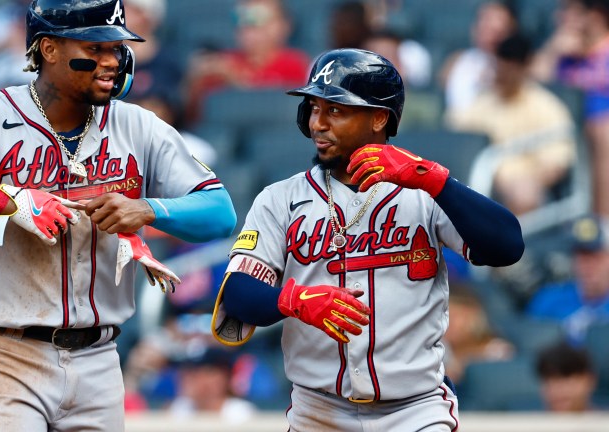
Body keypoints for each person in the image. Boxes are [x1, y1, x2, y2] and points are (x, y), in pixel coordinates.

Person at [0, 0, 237, 430]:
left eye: (117, 48)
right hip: (1, 355)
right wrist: (8, 199)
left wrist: (148, 208)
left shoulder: (139, 126)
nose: (111, 60)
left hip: (98, 360)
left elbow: (219, 212)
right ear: (48, 49)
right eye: (95, 47)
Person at [210, 48, 524, 431]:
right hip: (317, 410)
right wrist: (293, 300)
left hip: (415, 410)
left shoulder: (426, 191)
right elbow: (238, 295)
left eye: (335, 110)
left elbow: (507, 246)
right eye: (313, 109)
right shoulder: (281, 199)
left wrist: (436, 180)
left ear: (379, 118)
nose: (317, 124)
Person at [446, 32, 577, 216]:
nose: (504, 74)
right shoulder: (483, 101)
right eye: (500, 67)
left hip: (522, 189)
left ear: (524, 68)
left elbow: (558, 161)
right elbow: (454, 134)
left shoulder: (545, 106)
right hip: (479, 184)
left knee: (523, 194)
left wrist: (525, 181)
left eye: (510, 69)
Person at [530, 0, 609, 219]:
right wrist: (553, 50)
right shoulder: (563, 54)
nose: (561, 17)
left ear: (594, 16)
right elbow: (529, 85)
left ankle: (603, 226)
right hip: (563, 133)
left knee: (603, 131)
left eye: (570, 11)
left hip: (598, 134)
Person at [182, 0, 310, 125]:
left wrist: (235, 80)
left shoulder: (295, 63)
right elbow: (193, 118)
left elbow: (284, 113)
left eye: (259, 17)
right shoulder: (223, 62)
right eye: (238, 17)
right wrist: (194, 82)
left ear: (282, 26)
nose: (246, 26)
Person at [526, 214, 609, 345]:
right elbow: (529, 343)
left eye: (595, 257)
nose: (587, 266)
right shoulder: (549, 299)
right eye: (581, 258)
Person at [439, 0, 519, 112]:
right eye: (483, 20)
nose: (486, 26)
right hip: (458, 124)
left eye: (494, 22)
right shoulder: (456, 61)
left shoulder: (516, 68)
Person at [167, 346, 257, 424]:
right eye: (184, 371)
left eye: (194, 372)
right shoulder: (180, 408)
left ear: (221, 378)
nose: (186, 377)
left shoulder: (241, 413)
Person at [536, 340, 599, 412]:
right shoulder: (527, 422)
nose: (559, 391)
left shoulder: (605, 422)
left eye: (567, 380)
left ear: (590, 380)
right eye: (550, 381)